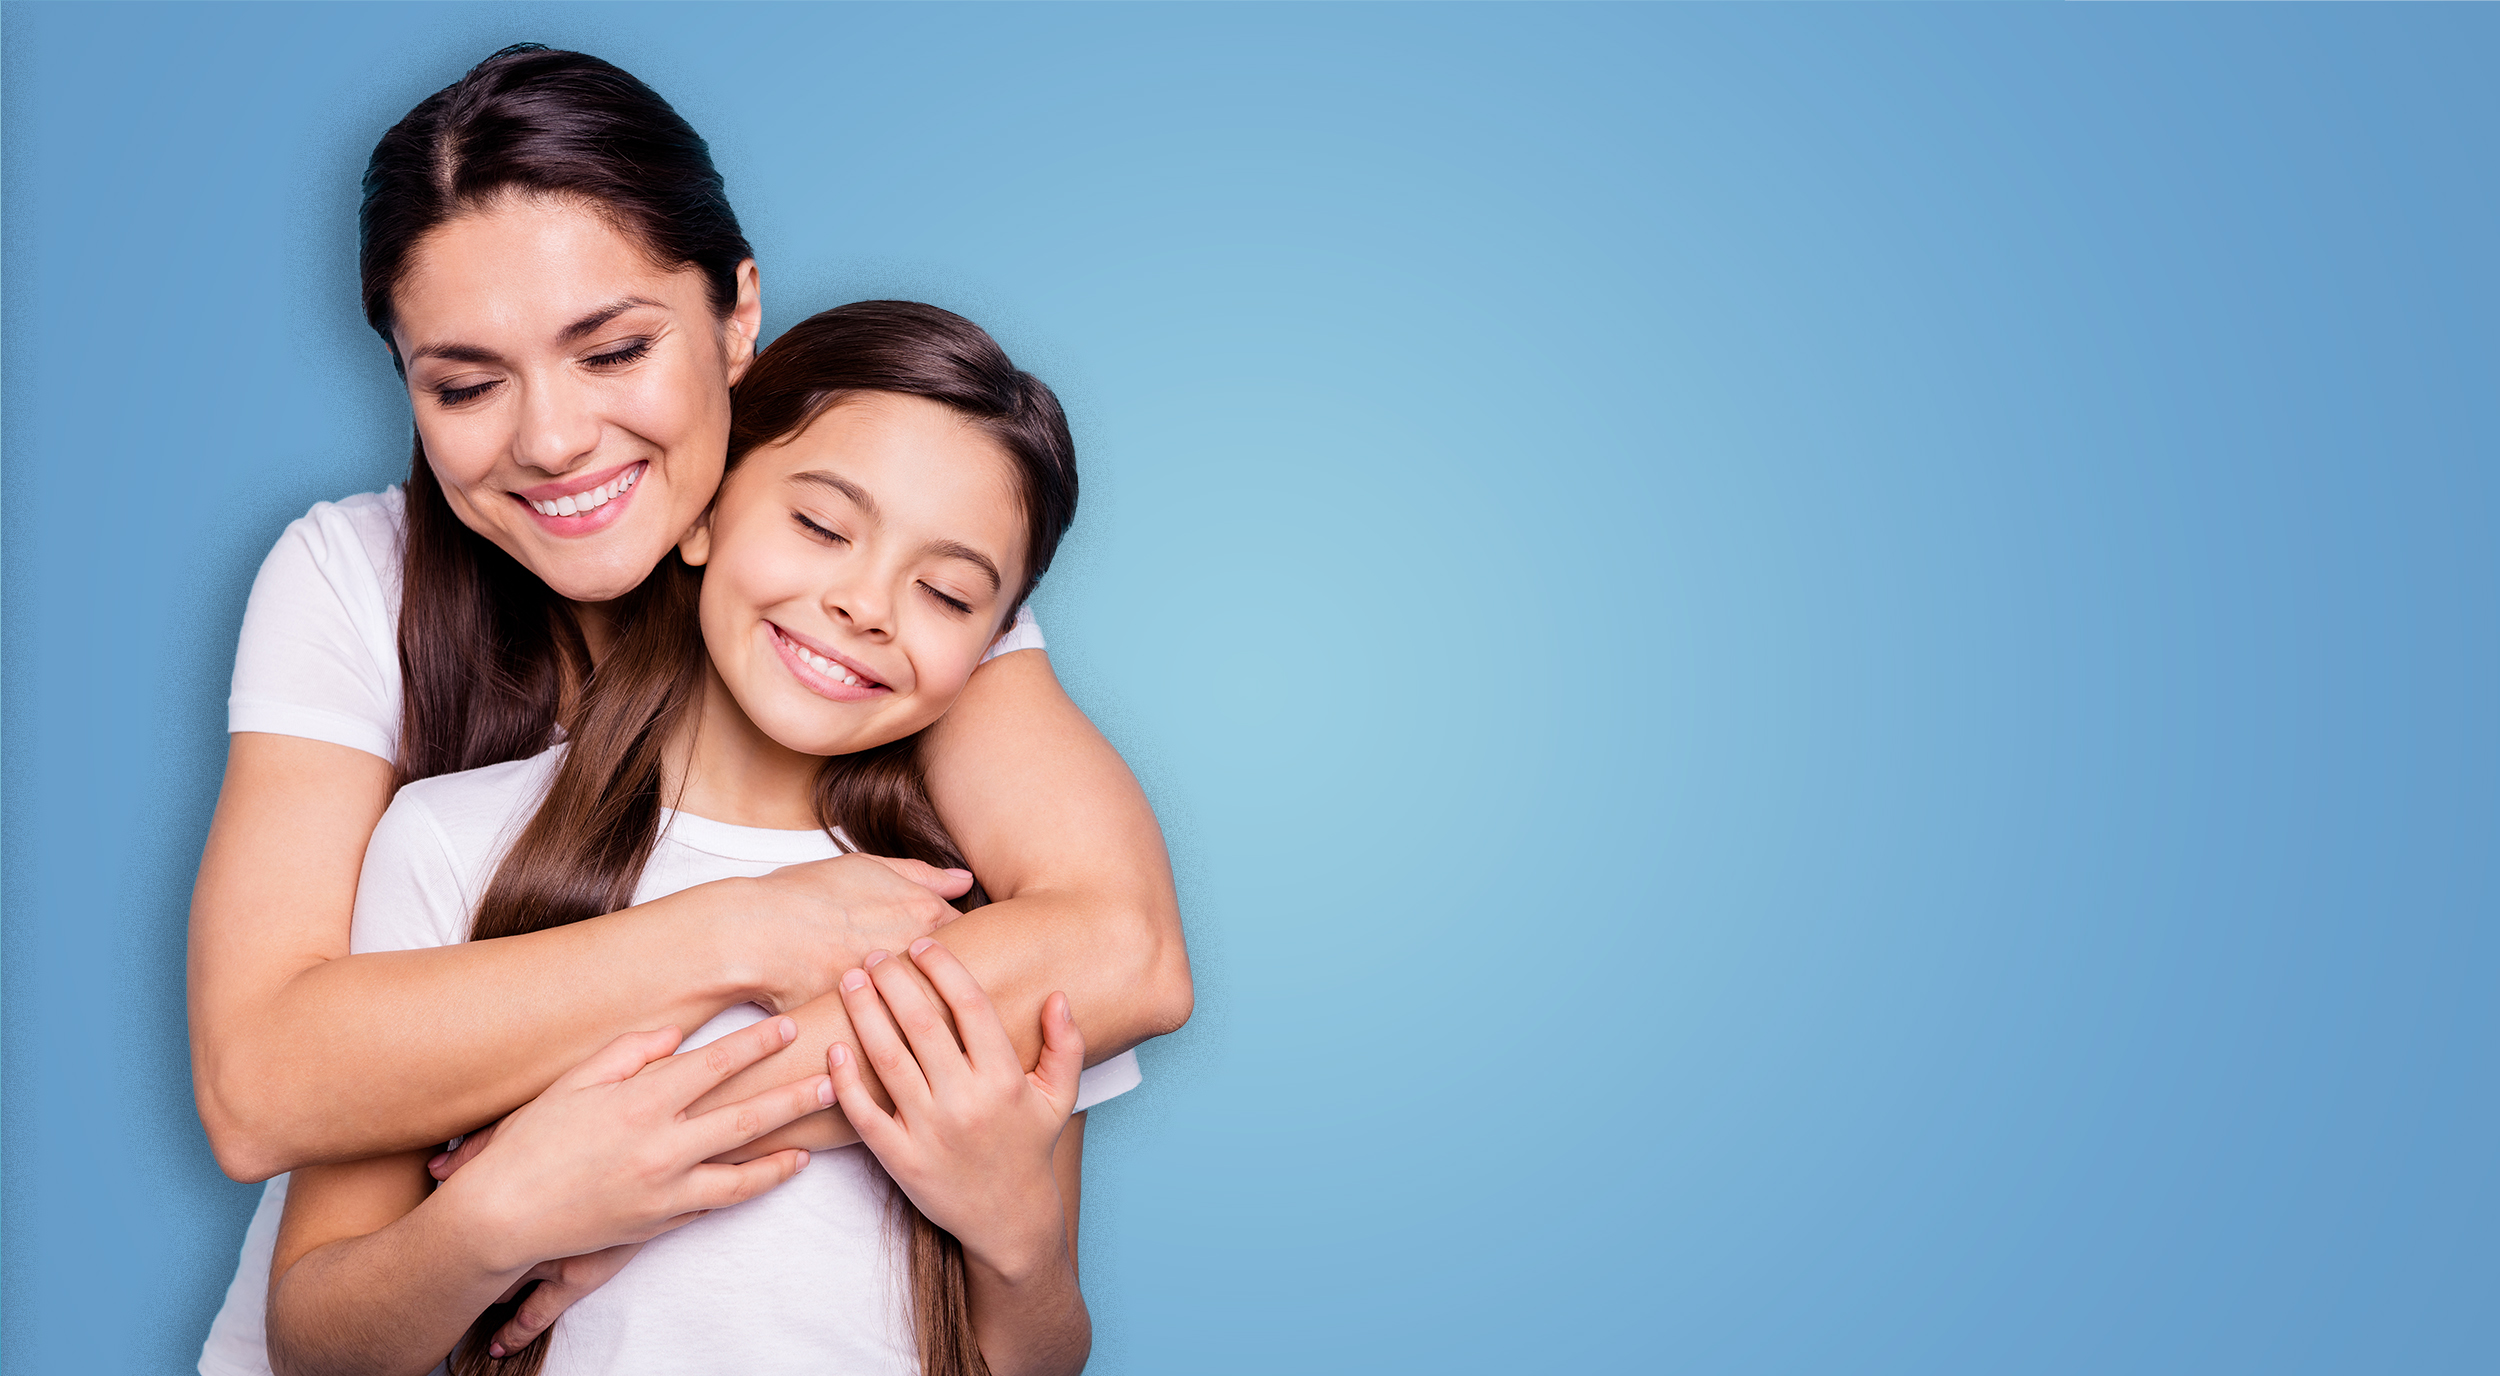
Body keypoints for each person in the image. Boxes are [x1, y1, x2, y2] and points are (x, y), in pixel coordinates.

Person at [194, 45, 1190, 1376]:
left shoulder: (875, 588)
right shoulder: (361, 594)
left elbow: (1119, 951)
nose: (552, 439)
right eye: (466, 383)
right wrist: (734, 938)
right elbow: (264, 1085)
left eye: (612, 349)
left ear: (736, 316)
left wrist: (671, 1143)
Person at [268, 301, 1113, 1376]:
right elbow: (311, 1344)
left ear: (994, 645)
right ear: (704, 516)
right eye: (820, 525)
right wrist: (497, 1219)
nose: (865, 603)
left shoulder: (995, 922)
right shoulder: (453, 843)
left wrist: (1016, 1237)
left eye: (946, 591)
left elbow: (1039, 1355)